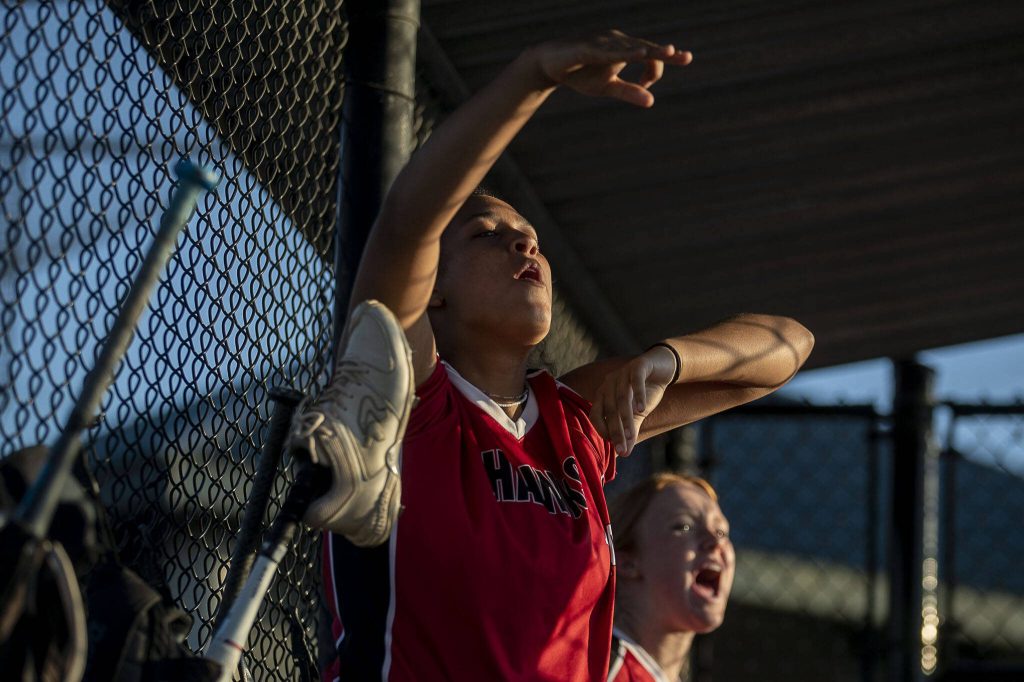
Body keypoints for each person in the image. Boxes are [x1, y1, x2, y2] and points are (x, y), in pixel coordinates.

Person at [317, 29, 814, 681]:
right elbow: (408, 220)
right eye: (488, 237)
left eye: (530, 239)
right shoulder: (409, 396)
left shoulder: (573, 426)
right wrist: (530, 79)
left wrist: (668, 361)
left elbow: (788, 346)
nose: (525, 249)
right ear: (433, 290)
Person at [607, 473, 734, 681]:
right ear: (627, 562)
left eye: (721, 532)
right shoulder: (593, 667)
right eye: (684, 526)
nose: (714, 541)